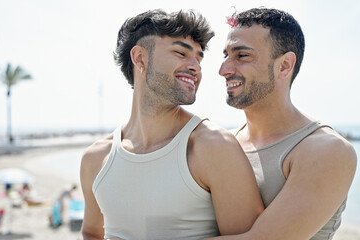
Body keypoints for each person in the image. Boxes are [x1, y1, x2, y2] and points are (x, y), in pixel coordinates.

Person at [79, 9, 263, 240]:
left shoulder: (214, 147)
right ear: (140, 58)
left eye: (198, 58)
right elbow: (91, 233)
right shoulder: (95, 159)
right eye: (180, 53)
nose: (195, 66)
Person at [214, 7, 357, 239]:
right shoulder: (223, 141)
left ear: (284, 66)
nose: (224, 70)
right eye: (226, 55)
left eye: (242, 56)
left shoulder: (326, 150)